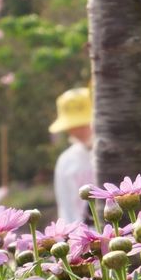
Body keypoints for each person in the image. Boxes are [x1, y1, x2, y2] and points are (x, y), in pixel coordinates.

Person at [49, 87, 95, 224]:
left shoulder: (117, 155)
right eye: (72, 125)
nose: (77, 130)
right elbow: (65, 208)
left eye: (82, 124)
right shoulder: (66, 161)